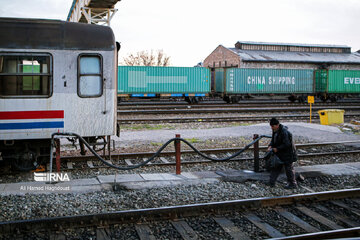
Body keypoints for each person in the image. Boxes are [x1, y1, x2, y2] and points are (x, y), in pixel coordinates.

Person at [267, 118, 297, 189]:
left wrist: (277, 149)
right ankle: (271, 182)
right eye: (271, 126)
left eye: (273, 126)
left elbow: (287, 144)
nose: (271, 127)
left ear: (277, 125)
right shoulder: (275, 130)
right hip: (281, 153)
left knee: (288, 169)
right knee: (276, 167)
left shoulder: (284, 132)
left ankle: (293, 184)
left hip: (288, 153)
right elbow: (273, 140)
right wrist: (270, 145)